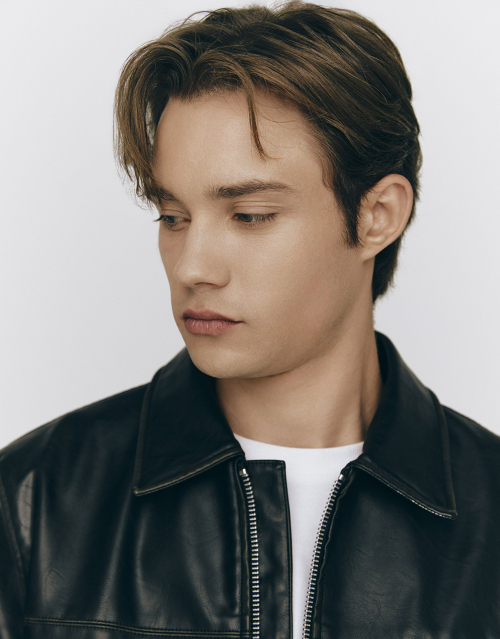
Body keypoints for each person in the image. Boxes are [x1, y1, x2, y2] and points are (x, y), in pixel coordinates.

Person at [1, 2, 499, 637]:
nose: (192, 266)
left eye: (249, 215)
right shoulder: (32, 503)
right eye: (173, 217)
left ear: (377, 216)